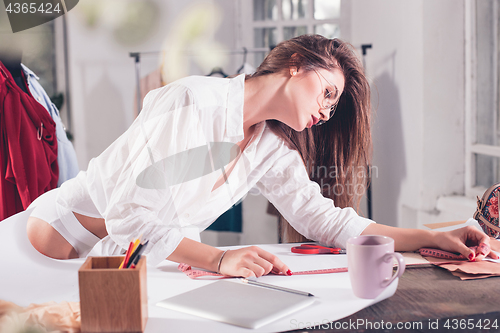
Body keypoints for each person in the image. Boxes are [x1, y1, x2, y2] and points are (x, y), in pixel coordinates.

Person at [26, 35, 500, 278]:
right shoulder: (194, 101)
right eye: (328, 92)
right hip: (57, 247)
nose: (326, 111)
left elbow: (325, 221)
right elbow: (127, 214)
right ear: (296, 65)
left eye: (334, 107)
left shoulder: (271, 147)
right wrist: (217, 258)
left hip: (127, 268)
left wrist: (431, 235)